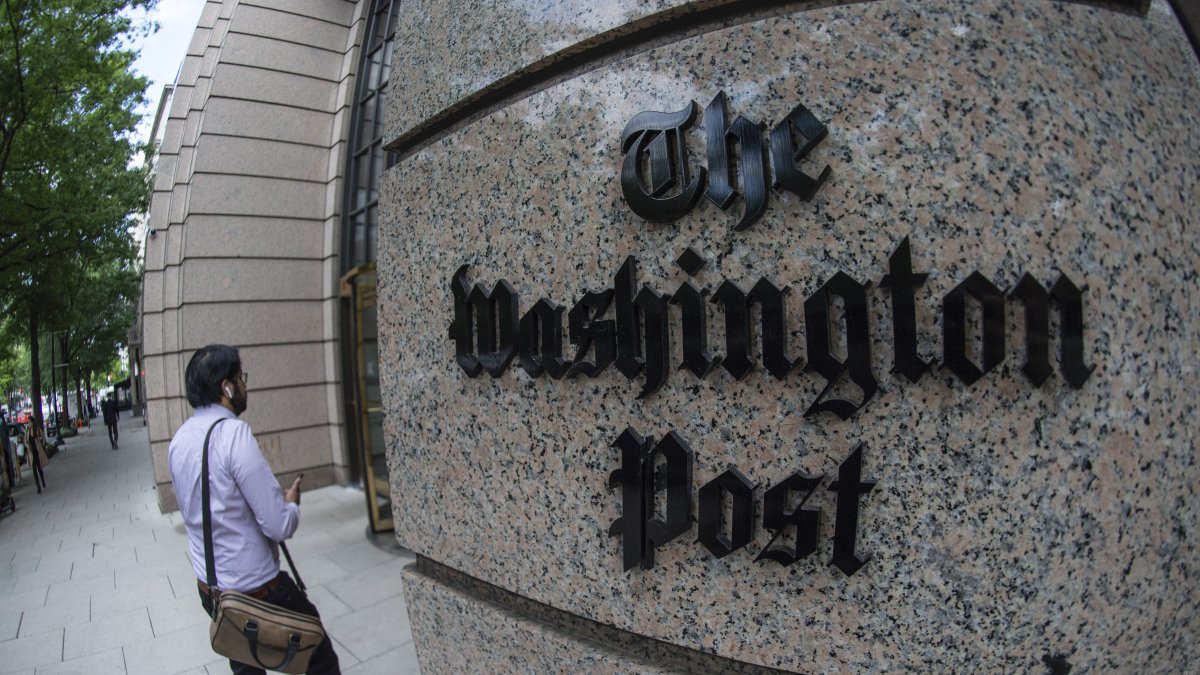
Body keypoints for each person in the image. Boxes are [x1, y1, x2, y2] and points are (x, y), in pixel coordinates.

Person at [168, 344, 341, 675]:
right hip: (257, 590)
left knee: (246, 665)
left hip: (212, 591)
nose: (245, 385)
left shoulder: (178, 441)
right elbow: (278, 525)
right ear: (226, 387)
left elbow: (198, 513)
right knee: (319, 658)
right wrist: (291, 505)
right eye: (240, 378)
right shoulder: (234, 434)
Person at [26, 421, 46, 494]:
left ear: (33, 423)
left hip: (37, 451)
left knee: (39, 468)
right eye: (28, 423)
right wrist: (27, 446)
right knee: (34, 470)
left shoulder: (36, 430)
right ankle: (38, 486)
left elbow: (42, 436)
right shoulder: (27, 431)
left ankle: (42, 480)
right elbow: (25, 441)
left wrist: (42, 444)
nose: (29, 424)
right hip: (31, 453)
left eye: (30, 422)